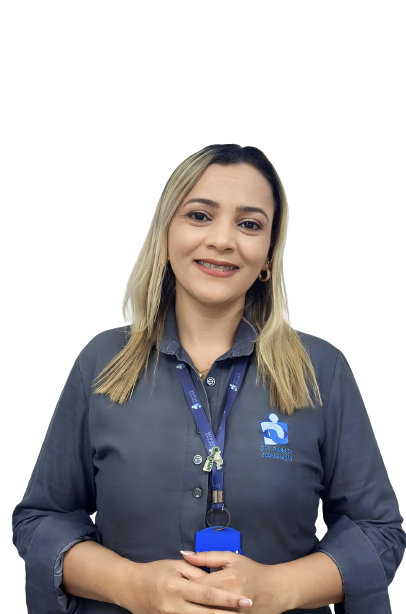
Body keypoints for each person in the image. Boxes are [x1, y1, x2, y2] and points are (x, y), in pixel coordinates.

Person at [12, 144, 405, 614]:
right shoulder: (100, 361)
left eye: (249, 224)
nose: (222, 240)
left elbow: (379, 534)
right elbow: (41, 522)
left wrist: (278, 588)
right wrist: (131, 586)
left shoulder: (322, 370)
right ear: (166, 233)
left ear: (268, 254)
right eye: (199, 216)